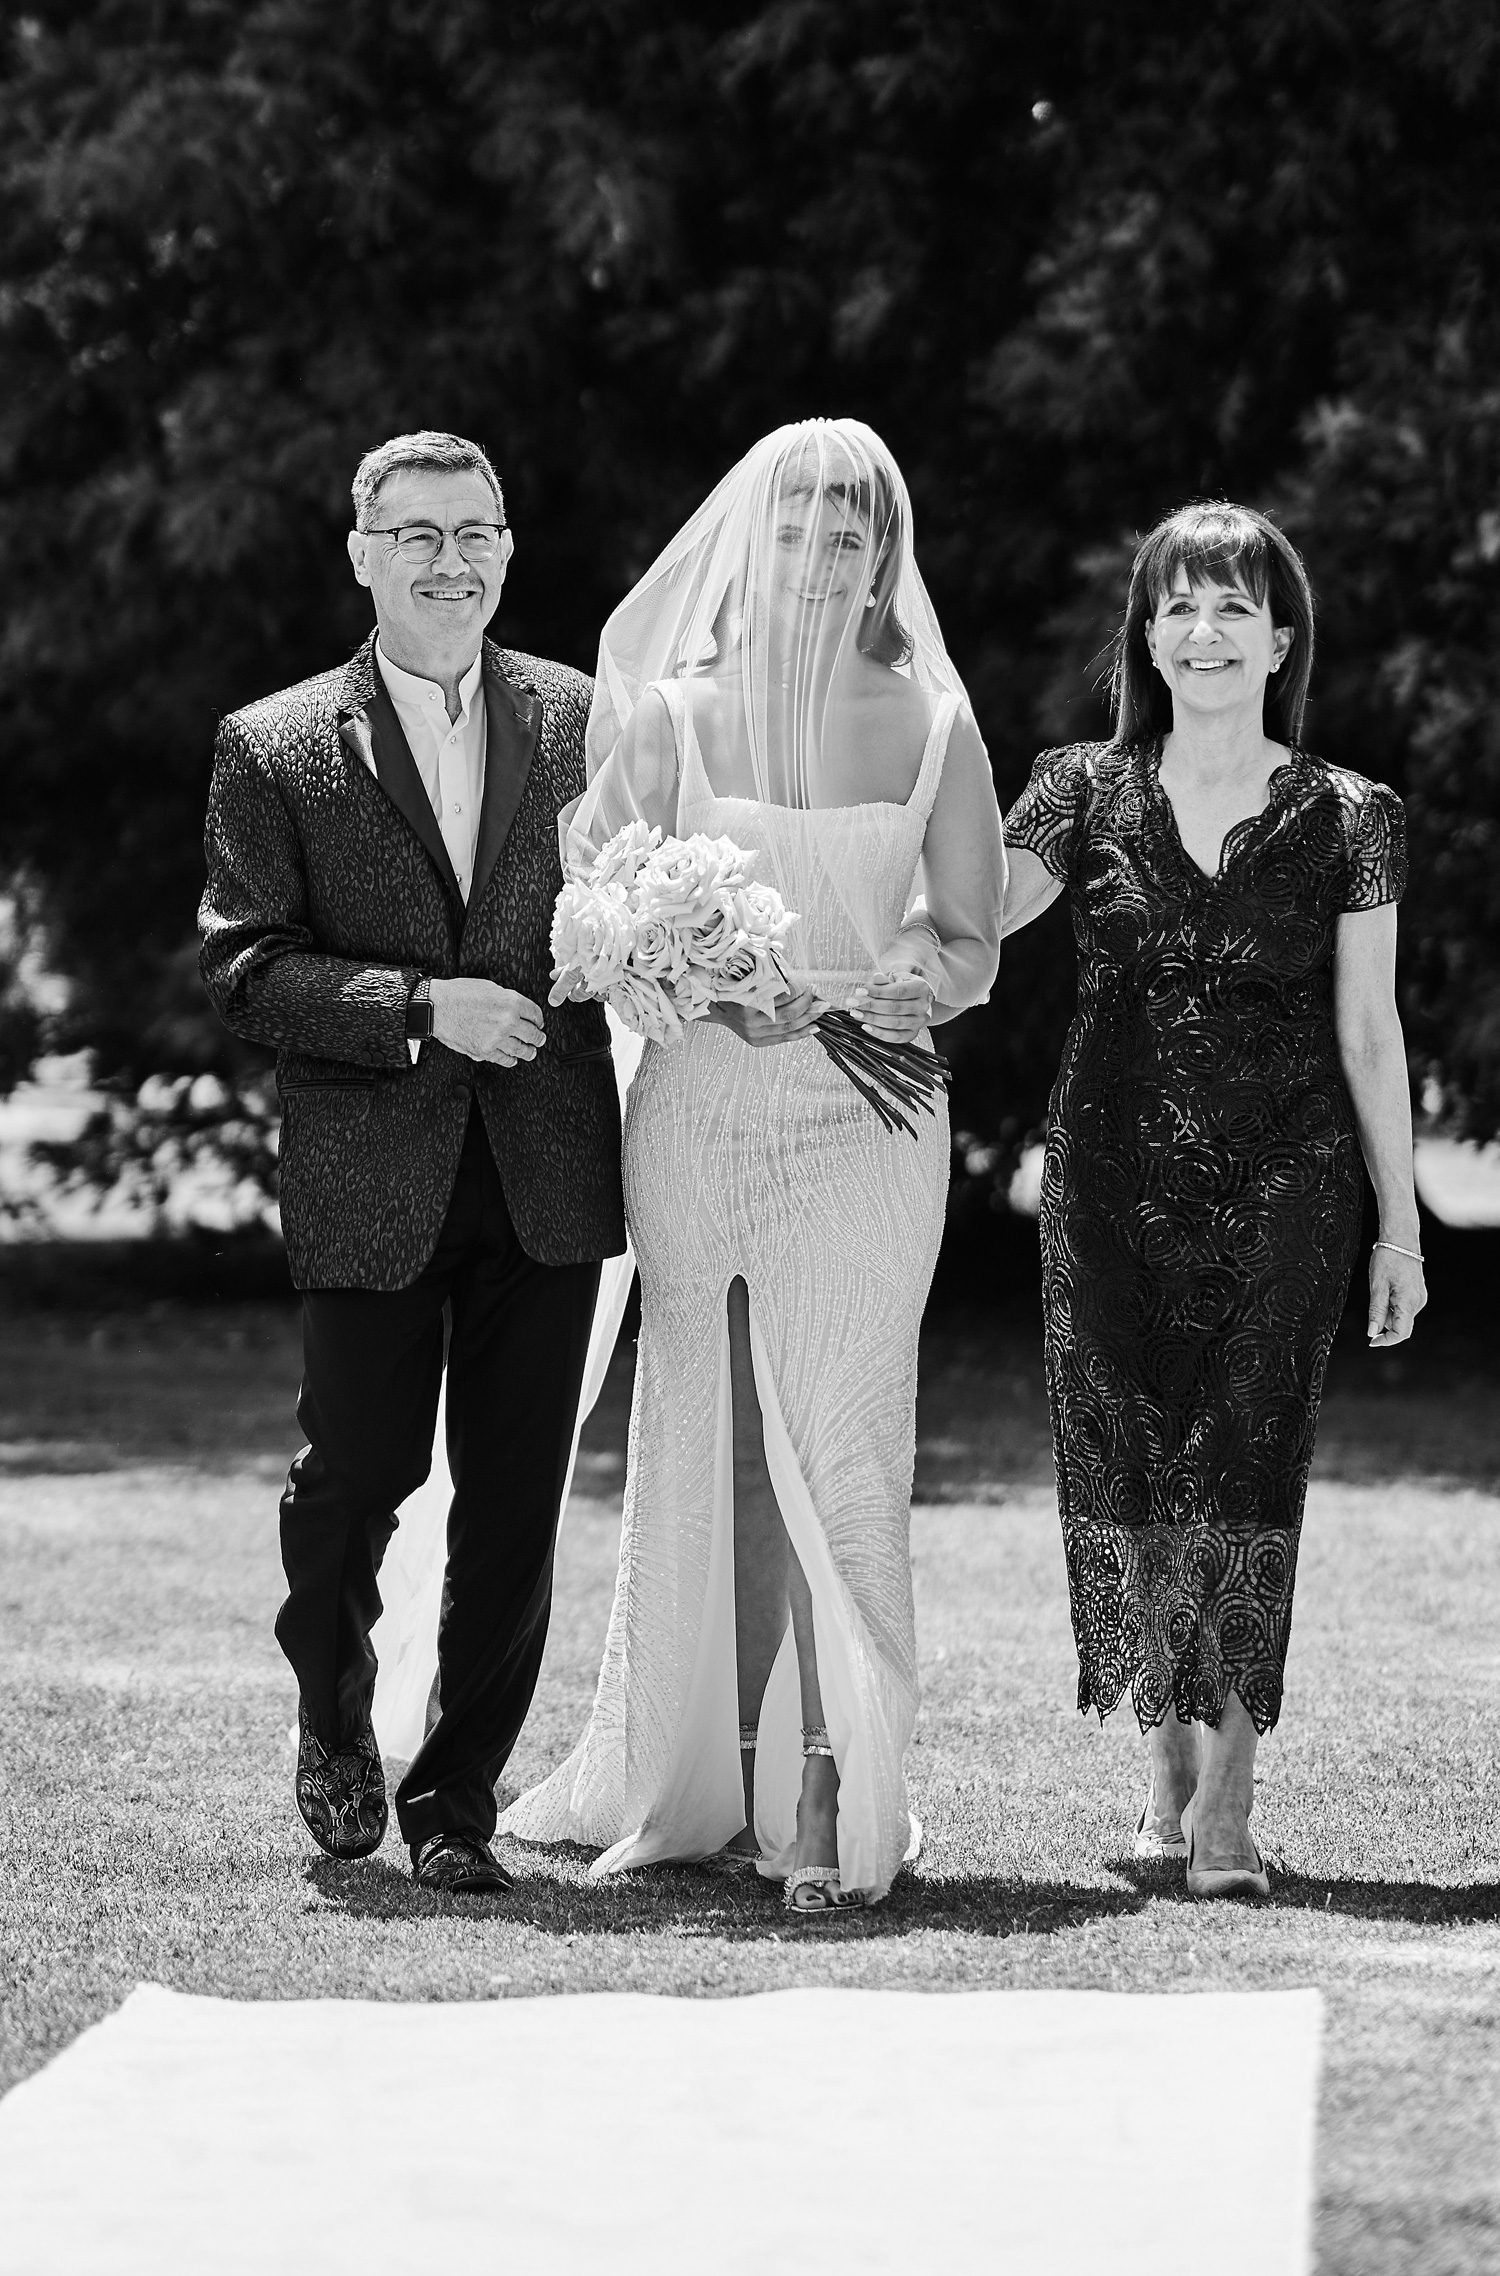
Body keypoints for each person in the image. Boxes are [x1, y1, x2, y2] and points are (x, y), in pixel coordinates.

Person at [498, 418, 1006, 1914]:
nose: (822, 551)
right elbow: (602, 909)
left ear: (882, 559)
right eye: (798, 526)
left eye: (853, 531)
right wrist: (703, 983)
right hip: (704, 1110)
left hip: (875, 1110)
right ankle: (702, 1764)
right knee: (710, 1425)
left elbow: (967, 935)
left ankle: (834, 1778)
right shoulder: (669, 714)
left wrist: (918, 967)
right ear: (751, 542)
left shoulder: (934, 724)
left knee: (839, 1423)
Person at [198, 430, 625, 1894]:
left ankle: (456, 1806)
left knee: (516, 1503)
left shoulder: (587, 718)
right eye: (421, 534)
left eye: (477, 531)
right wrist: (417, 1009)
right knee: (357, 1479)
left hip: (552, 1170)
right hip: (369, 1173)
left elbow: (626, 908)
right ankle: (330, 1706)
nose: (454, 559)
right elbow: (243, 971)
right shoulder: (275, 744)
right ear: (365, 556)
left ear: (508, 546)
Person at [1001, 500, 1425, 1897]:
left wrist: (1402, 1228)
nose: (1204, 631)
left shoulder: (1355, 817)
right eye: (1179, 605)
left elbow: (1370, 1032)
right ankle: (1167, 1765)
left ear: (1282, 636)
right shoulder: (1073, 789)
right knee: (1131, 1477)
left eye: (1235, 605)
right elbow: (963, 916)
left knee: (1246, 1472)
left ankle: (1230, 1800)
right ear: (1147, 632)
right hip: (1107, 1184)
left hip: (1291, 1189)